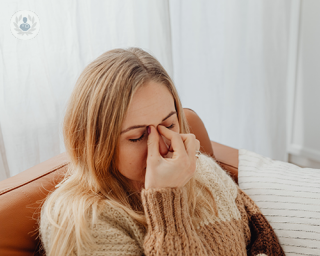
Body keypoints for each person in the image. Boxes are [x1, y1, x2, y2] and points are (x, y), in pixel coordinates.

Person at [39, 47, 285, 256]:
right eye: (137, 137)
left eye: (169, 126)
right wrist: (166, 200)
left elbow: (261, 237)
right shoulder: (80, 222)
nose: (162, 147)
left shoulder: (203, 170)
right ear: (96, 143)